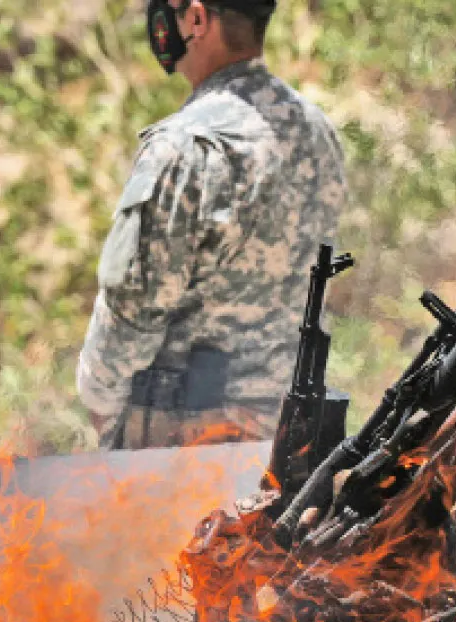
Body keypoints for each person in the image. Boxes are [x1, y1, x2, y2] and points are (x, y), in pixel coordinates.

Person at [76, 0, 347, 450]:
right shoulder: (317, 132)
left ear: (197, 19)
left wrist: (100, 399)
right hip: (279, 442)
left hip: (178, 451)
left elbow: (133, 304)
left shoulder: (183, 145)